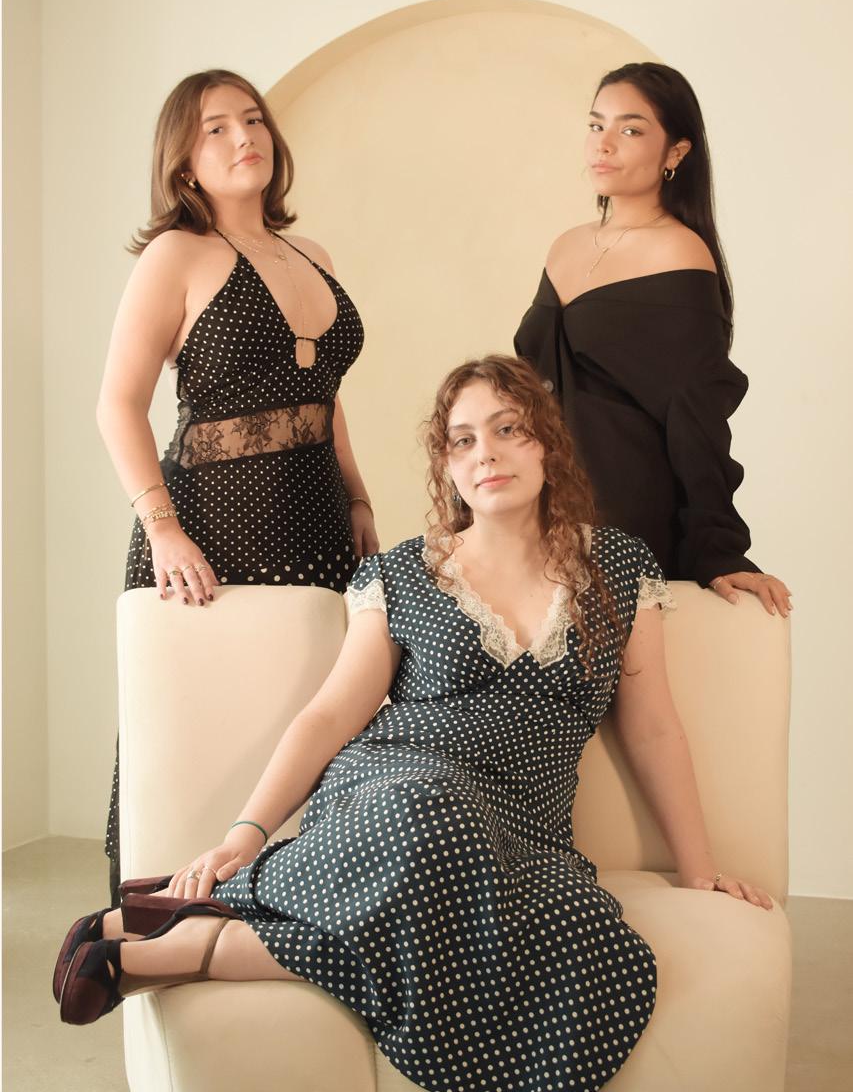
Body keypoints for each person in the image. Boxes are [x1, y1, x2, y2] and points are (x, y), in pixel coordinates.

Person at [57, 356, 771, 1092]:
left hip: (522, 829)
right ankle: (189, 948)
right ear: (448, 467)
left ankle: (182, 936)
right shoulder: (401, 574)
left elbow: (653, 729)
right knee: (432, 814)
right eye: (463, 440)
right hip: (395, 790)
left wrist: (697, 867)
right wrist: (247, 832)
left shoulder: (620, 567)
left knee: (591, 955)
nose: (485, 453)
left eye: (508, 429)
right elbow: (331, 714)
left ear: (547, 444)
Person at [97, 69, 377, 903]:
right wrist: (162, 528)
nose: (242, 137)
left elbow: (324, 398)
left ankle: (291, 907)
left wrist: (358, 496)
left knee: (310, 711)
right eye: (214, 128)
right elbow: (117, 404)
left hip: (317, 515)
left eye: (251, 120)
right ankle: (170, 912)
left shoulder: (313, 255)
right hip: (211, 524)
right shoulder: (175, 255)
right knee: (207, 722)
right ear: (183, 161)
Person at [514, 62, 790, 615]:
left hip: (623, 513)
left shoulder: (679, 252)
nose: (604, 143)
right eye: (596, 125)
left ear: (676, 153)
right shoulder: (566, 245)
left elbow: (695, 412)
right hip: (538, 506)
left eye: (631, 129)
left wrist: (718, 549)